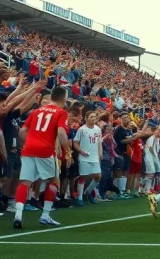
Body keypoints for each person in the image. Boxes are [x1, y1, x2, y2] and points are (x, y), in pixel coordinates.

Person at [13, 85, 71, 229]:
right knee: (54, 179)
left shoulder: (37, 111)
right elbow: (62, 134)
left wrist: (29, 143)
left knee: (25, 182)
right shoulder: (61, 112)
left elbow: (22, 131)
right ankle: (45, 215)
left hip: (28, 149)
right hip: (46, 150)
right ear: (64, 98)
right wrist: (68, 152)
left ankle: (18, 215)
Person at [73, 110, 102, 206]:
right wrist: (81, 151)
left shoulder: (98, 129)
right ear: (86, 118)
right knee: (83, 177)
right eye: (91, 117)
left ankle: (88, 192)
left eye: (95, 117)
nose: (94, 119)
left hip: (94, 157)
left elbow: (99, 142)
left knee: (98, 176)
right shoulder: (82, 130)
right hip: (84, 157)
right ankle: (80, 198)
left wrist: (100, 153)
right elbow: (75, 143)